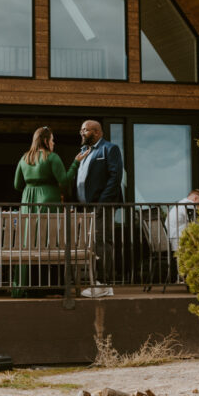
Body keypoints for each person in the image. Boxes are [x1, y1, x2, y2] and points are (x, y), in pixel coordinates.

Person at [12, 126, 71, 296]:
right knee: (49, 242)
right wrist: (75, 163)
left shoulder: (24, 158)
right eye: (52, 139)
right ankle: (48, 285)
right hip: (47, 200)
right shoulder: (52, 157)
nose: (54, 142)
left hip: (27, 201)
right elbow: (65, 181)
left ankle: (27, 286)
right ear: (46, 141)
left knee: (28, 243)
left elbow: (17, 185)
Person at [68, 119, 123, 298]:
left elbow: (115, 177)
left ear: (97, 133)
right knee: (90, 245)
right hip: (85, 208)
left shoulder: (109, 149)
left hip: (102, 206)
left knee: (102, 242)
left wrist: (102, 203)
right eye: (81, 129)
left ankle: (104, 283)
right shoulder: (84, 151)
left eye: (85, 130)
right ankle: (95, 281)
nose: (81, 133)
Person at [164, 189, 199, 284]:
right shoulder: (188, 204)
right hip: (178, 238)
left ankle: (184, 277)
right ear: (195, 198)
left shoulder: (179, 204)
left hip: (172, 237)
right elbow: (196, 221)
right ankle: (189, 278)